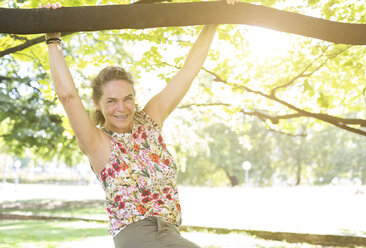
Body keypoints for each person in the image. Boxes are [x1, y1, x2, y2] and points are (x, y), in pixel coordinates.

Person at [43, 1, 238, 247]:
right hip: (135, 236)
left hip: (170, 233)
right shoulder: (98, 143)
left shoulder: (150, 121)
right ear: (97, 104)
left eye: (127, 99)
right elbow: (68, 96)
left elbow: (188, 71)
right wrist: (53, 40)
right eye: (111, 101)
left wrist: (214, 18)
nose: (121, 108)